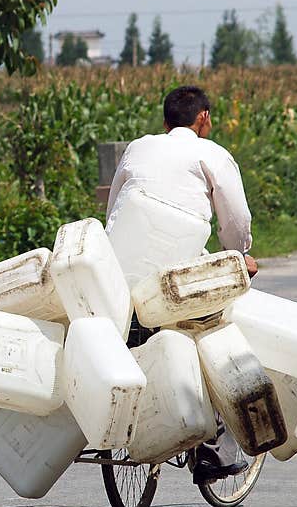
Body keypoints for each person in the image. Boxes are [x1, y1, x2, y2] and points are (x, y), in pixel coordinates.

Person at [105, 84, 257, 485]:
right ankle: (213, 452)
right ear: (203, 118)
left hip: (123, 269)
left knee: (135, 328)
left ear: (164, 121)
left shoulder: (138, 148)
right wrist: (239, 255)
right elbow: (236, 221)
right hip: (180, 273)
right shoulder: (212, 154)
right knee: (215, 335)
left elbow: (116, 208)